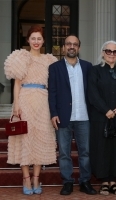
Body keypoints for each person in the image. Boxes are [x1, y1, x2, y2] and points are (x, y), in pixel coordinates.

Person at [4, 26, 57, 195]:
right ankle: (26, 178)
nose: (36, 42)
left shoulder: (49, 60)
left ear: (43, 41)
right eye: (33, 38)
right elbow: (17, 84)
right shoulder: (21, 57)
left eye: (39, 38)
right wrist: (16, 105)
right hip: (25, 99)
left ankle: (36, 177)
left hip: (43, 101)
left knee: (40, 139)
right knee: (25, 139)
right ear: (28, 40)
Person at [48, 35, 97, 196]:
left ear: (79, 48)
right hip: (63, 116)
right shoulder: (55, 68)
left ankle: (85, 181)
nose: (71, 46)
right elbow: (52, 92)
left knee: (85, 152)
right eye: (68, 44)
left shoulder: (88, 67)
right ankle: (67, 182)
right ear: (63, 47)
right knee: (64, 152)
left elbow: (93, 92)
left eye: (75, 44)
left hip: (84, 117)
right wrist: (53, 113)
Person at [88, 40, 116, 195]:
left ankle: (113, 182)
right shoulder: (95, 71)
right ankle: (104, 182)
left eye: (115, 52)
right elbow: (92, 93)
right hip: (101, 117)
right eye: (108, 51)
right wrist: (105, 110)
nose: (112, 54)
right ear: (103, 52)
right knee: (102, 150)